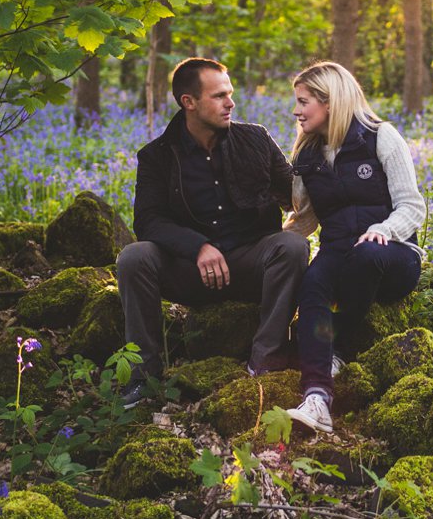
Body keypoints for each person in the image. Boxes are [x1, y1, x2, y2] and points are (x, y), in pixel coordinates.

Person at [116, 58, 309, 409]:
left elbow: (296, 194)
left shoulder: (256, 139)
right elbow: (148, 221)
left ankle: (265, 362)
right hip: (189, 270)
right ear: (188, 102)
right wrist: (198, 246)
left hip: (249, 262)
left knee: (292, 246)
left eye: (230, 94)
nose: (230, 103)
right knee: (134, 256)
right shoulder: (157, 156)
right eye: (219, 96)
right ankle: (144, 379)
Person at [282, 61, 426, 433]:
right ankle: (316, 398)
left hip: (392, 255)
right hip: (338, 252)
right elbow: (307, 219)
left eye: (303, 102)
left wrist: (384, 228)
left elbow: (413, 206)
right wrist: (276, 244)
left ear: (329, 102)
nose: (296, 111)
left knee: (367, 254)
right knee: (313, 285)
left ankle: (338, 348)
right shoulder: (307, 156)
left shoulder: (380, 137)